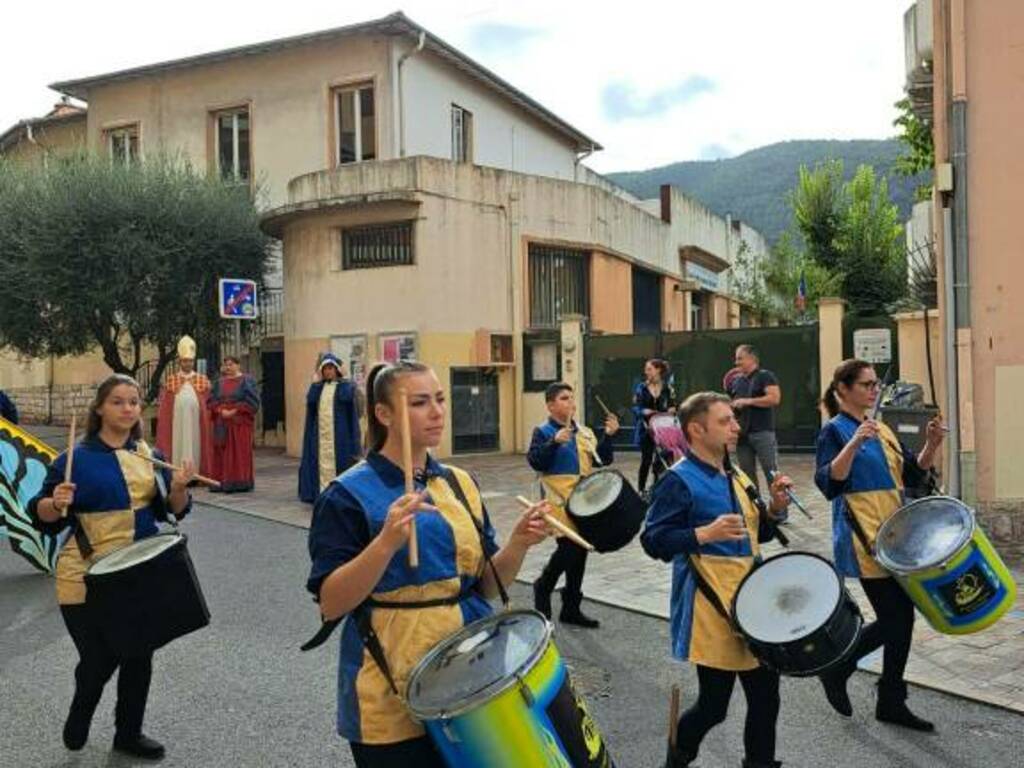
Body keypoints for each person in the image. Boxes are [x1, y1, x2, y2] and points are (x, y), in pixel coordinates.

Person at [306, 361, 551, 767]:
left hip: (470, 679)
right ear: (384, 414)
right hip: (390, 685)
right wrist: (384, 544)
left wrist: (519, 543)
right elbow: (331, 603)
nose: (438, 411)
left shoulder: (458, 482)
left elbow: (485, 586)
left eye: (439, 399)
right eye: (420, 402)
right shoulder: (346, 494)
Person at [28, 374, 195, 759]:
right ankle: (82, 709)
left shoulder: (147, 454)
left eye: (134, 402)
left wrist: (181, 487)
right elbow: (40, 515)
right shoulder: (72, 460)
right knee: (99, 657)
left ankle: (128, 733)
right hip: (84, 575)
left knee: (139, 654)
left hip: (139, 570)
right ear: (100, 408)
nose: (127, 409)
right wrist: (55, 501)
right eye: (118, 401)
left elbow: (171, 510)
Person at [642, 391, 791, 768]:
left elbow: (758, 534)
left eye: (733, 420)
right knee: (714, 707)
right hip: (712, 607)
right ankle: (676, 759)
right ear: (696, 429)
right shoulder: (679, 480)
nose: (736, 428)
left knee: (765, 696)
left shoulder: (736, 473)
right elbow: (654, 541)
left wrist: (774, 507)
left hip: (753, 602)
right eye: (725, 421)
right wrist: (703, 535)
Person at [815, 359, 945, 732]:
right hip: (864, 540)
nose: (874, 390)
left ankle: (889, 698)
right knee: (896, 618)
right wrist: (855, 443)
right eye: (866, 384)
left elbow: (915, 474)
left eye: (875, 384)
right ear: (843, 390)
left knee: (901, 620)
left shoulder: (883, 429)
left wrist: (932, 444)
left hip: (895, 539)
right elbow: (829, 484)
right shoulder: (835, 432)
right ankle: (843, 667)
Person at [529, 382, 619, 629]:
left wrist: (608, 437)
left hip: (585, 501)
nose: (571, 402)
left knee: (580, 553)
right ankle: (543, 586)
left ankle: (571, 606)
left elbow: (603, 460)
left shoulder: (585, 432)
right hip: (559, 502)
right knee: (569, 549)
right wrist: (554, 442)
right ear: (550, 405)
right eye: (564, 398)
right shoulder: (544, 431)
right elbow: (536, 461)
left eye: (571, 398)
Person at [298, 353, 362, 503]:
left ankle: (340, 493)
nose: (328, 372)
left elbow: (347, 398)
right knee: (319, 462)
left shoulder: (345, 386)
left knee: (341, 462)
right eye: (325, 369)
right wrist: (314, 384)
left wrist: (345, 379)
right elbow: (311, 401)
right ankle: (320, 491)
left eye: (331, 368)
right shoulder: (319, 387)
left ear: (337, 370)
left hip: (340, 434)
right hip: (320, 435)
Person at [727, 345, 781, 502]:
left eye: (740, 358)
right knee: (746, 476)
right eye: (736, 358)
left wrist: (748, 401)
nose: (736, 362)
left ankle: (779, 512)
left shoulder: (766, 376)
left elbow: (774, 398)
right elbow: (732, 403)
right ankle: (756, 512)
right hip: (742, 435)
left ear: (752, 358)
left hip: (763, 433)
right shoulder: (736, 381)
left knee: (772, 473)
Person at [156, 335, 213, 477]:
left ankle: (196, 473)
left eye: (190, 361)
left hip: (196, 423)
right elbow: (165, 407)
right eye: (185, 361)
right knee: (178, 444)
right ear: (180, 362)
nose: (188, 364)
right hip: (177, 423)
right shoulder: (172, 380)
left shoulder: (202, 380)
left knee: (195, 444)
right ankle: (178, 473)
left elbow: (208, 404)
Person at [208, 356, 260, 492]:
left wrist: (235, 410)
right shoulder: (219, 382)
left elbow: (253, 403)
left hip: (239, 425)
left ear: (238, 365)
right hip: (222, 423)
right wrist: (220, 410)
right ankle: (221, 482)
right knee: (222, 453)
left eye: (231, 365)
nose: (228, 368)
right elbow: (211, 401)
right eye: (226, 365)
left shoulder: (246, 381)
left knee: (239, 453)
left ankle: (240, 482)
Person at [632, 358, 676, 494]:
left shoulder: (668, 388)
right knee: (646, 459)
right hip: (646, 429)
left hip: (663, 429)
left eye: (649, 369)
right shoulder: (641, 387)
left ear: (658, 370)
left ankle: (658, 487)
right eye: (646, 369)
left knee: (661, 459)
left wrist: (672, 409)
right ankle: (641, 489)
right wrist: (643, 411)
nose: (646, 372)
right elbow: (635, 407)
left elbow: (674, 405)